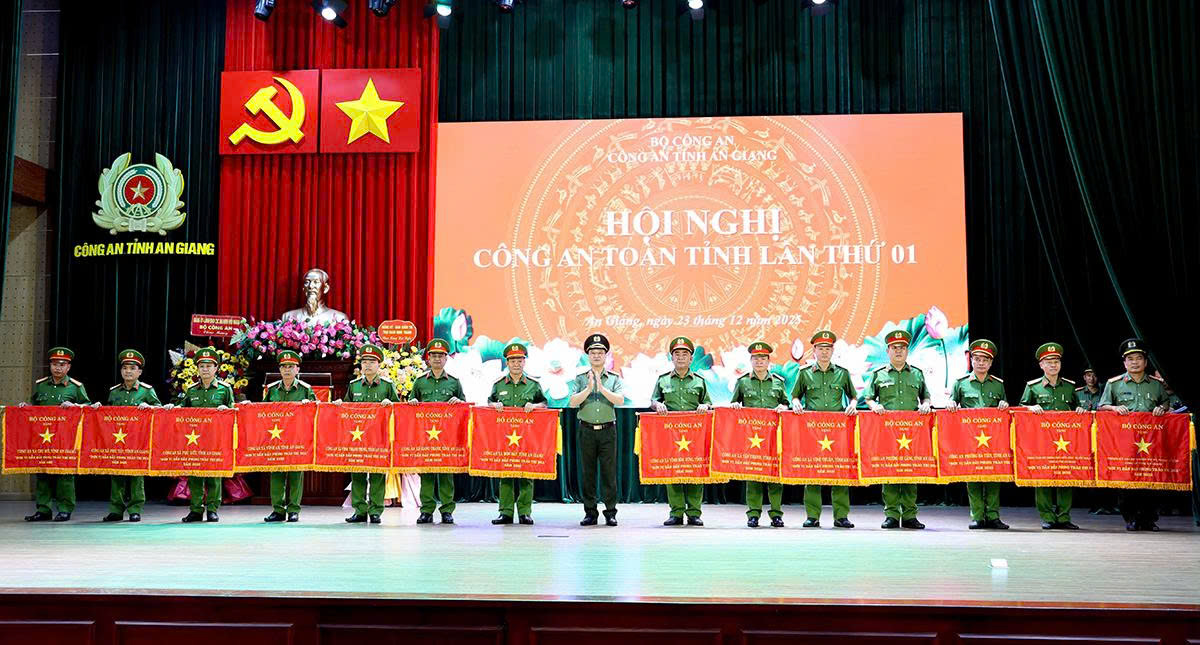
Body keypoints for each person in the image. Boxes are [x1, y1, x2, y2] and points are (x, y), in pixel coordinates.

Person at [1098, 338, 1172, 532]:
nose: (1135, 362)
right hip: (1124, 441)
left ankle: (1149, 519)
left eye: (1139, 358)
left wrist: (1161, 408)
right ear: (1124, 363)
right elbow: (1101, 406)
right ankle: (1131, 518)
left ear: (1145, 362)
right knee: (1126, 479)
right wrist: (1114, 408)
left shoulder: (1156, 384)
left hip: (1150, 441)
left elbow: (1166, 403)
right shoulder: (1114, 384)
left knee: (1150, 478)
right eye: (1130, 359)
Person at [863, 330, 932, 529]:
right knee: (890, 470)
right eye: (894, 348)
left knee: (911, 471)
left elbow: (926, 396)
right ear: (888, 351)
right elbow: (868, 397)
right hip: (887, 431)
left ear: (907, 351)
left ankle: (910, 515)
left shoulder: (917, 373)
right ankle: (891, 514)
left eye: (902, 347)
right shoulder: (879, 374)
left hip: (912, 431)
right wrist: (874, 406)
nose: (898, 351)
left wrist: (926, 404)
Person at [790, 330, 859, 529]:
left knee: (840, 472)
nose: (824, 352)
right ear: (814, 351)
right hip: (813, 430)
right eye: (821, 348)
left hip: (838, 430)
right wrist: (795, 403)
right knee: (812, 472)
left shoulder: (842, 373)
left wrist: (853, 404)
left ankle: (841, 516)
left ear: (833, 351)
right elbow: (795, 395)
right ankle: (812, 516)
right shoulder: (805, 373)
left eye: (828, 348)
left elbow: (853, 396)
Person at [1018, 342, 1085, 530]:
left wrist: (1079, 410)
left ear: (1060, 364)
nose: (1053, 365)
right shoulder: (1033, 387)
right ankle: (1047, 516)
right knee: (1043, 477)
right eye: (1048, 362)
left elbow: (1077, 408)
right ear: (1041, 365)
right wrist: (1030, 408)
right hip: (1041, 441)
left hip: (1066, 441)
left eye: (1056, 361)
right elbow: (1021, 408)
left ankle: (1064, 517)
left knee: (1065, 476)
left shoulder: (1070, 387)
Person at [22, 347, 91, 522]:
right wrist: (25, 408)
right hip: (43, 438)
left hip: (65, 439)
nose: (57, 368)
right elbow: (34, 406)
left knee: (64, 474)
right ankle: (43, 510)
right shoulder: (41, 385)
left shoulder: (76, 387)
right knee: (42, 473)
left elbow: (88, 408)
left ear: (68, 367)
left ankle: (65, 509)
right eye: (54, 364)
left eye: (62, 364)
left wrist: (75, 406)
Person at [947, 339, 1010, 530]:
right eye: (977, 359)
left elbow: (1004, 407)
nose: (981, 363)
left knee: (994, 476)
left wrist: (1004, 404)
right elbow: (952, 402)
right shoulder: (960, 384)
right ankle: (977, 516)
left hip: (993, 440)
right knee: (973, 477)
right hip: (970, 439)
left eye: (985, 360)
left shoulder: (998, 385)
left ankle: (993, 516)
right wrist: (951, 403)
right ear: (971, 361)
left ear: (990, 363)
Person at [651, 336, 713, 526]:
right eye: (676, 354)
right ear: (672, 357)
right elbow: (654, 400)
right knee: (673, 470)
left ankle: (694, 513)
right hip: (671, 433)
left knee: (695, 471)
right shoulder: (663, 380)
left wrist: (705, 406)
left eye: (684, 354)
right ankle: (676, 512)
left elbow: (708, 402)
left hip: (695, 434)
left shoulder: (699, 381)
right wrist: (657, 405)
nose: (680, 357)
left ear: (691, 358)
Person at [567, 333, 625, 527]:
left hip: (608, 431)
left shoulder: (614, 378)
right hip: (587, 431)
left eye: (600, 352)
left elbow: (620, 400)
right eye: (593, 352)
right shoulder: (580, 378)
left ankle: (610, 512)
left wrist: (601, 387)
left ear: (606, 355)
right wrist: (589, 388)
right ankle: (590, 513)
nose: (597, 355)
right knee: (588, 473)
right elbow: (573, 402)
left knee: (609, 474)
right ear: (588, 355)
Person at [730, 341, 789, 528]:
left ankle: (776, 514)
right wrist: (735, 405)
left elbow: (786, 403)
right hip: (751, 437)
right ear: (751, 360)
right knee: (754, 475)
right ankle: (753, 514)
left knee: (774, 476)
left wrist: (783, 406)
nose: (759, 361)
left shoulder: (778, 382)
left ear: (768, 361)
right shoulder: (743, 382)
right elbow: (734, 404)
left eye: (763, 358)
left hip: (773, 436)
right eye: (756, 358)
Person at [408, 338, 466, 525]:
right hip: (425, 436)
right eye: (433, 355)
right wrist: (412, 403)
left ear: (446, 359)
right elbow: (409, 407)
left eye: (441, 356)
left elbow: (464, 408)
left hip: (447, 437)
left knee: (446, 474)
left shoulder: (454, 383)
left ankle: (447, 510)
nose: (437, 359)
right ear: (428, 358)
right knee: (426, 474)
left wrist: (459, 402)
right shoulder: (420, 382)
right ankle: (426, 510)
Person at [488, 342, 548, 525]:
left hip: (526, 436)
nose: (516, 364)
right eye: (512, 360)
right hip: (504, 436)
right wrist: (494, 405)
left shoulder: (533, 385)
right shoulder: (498, 384)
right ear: (507, 363)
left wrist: (535, 406)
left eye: (519, 360)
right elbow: (489, 402)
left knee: (525, 474)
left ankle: (524, 512)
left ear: (524, 362)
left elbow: (544, 404)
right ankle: (505, 512)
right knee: (506, 473)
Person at [174, 346, 235, 523]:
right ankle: (195, 510)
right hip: (194, 440)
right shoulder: (192, 390)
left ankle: (212, 509)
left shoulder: (225, 389)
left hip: (216, 439)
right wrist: (172, 409)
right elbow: (182, 409)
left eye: (209, 366)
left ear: (216, 368)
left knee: (214, 475)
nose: (205, 369)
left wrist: (226, 410)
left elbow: (234, 412)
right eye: (202, 366)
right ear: (197, 369)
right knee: (195, 475)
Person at [103, 349, 161, 523]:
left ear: (139, 372)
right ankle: (116, 510)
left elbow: (160, 411)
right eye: (125, 368)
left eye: (132, 368)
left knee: (136, 475)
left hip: (138, 440)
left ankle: (135, 509)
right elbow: (106, 416)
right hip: (117, 440)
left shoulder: (147, 391)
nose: (128, 371)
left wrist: (149, 407)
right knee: (116, 474)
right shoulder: (114, 392)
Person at [341, 343, 397, 524]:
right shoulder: (354, 386)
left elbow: (399, 411)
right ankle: (360, 510)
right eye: (364, 362)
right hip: (357, 437)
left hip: (379, 437)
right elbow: (346, 409)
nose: (368, 365)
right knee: (357, 474)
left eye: (372, 362)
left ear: (379, 365)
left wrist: (391, 405)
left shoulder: (387, 386)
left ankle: (375, 511)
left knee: (377, 475)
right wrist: (338, 405)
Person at [262, 350, 314, 523]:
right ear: (279, 369)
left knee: (295, 476)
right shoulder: (271, 390)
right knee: (276, 476)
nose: (287, 370)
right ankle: (278, 510)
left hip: (297, 440)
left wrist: (309, 405)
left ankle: (293, 510)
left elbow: (317, 412)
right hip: (276, 439)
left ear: (297, 369)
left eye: (291, 366)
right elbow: (261, 412)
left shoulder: (306, 389)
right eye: (284, 366)